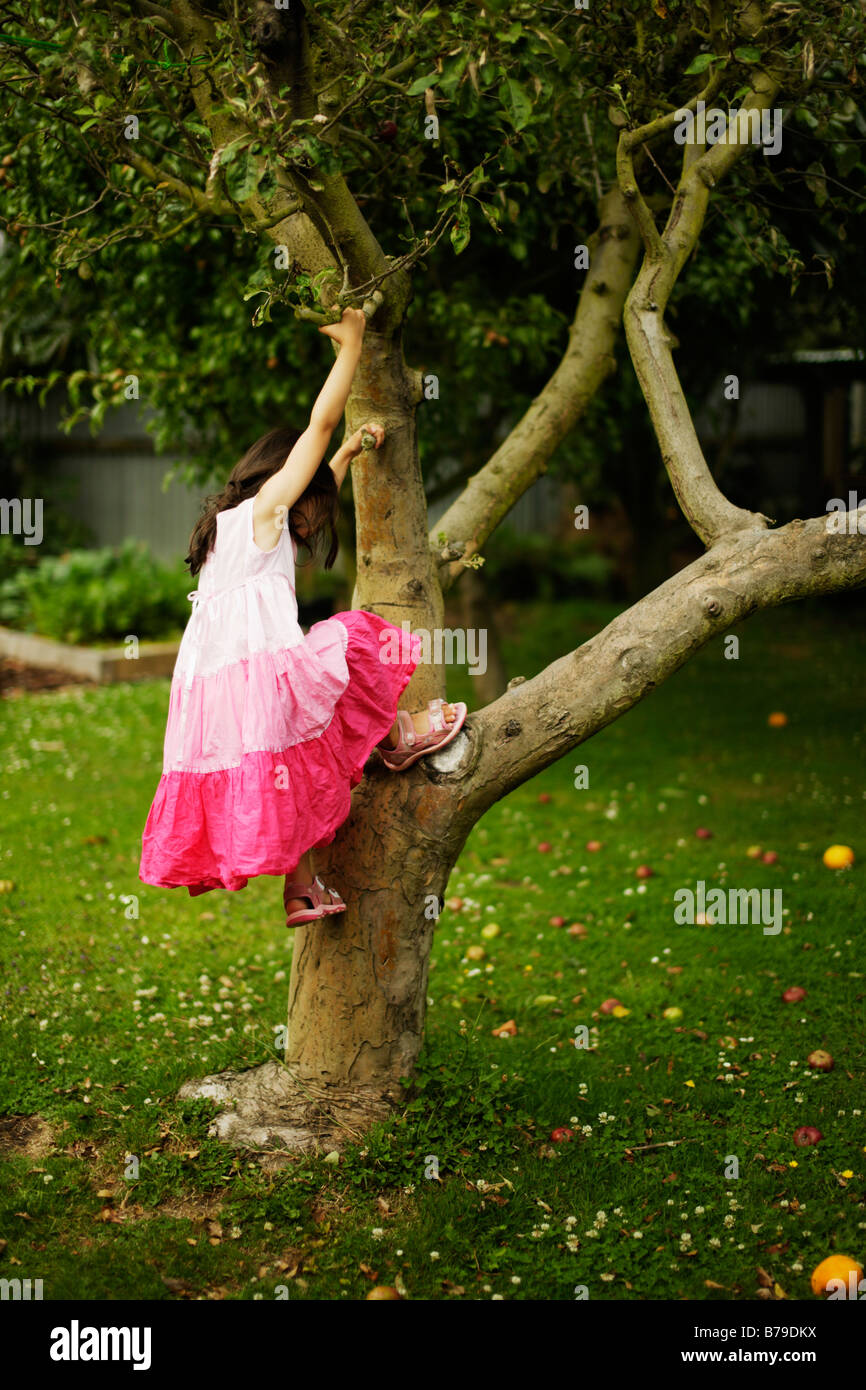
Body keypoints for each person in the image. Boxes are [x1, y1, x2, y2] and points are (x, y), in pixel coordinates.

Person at [139, 307, 467, 925]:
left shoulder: (227, 534)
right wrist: (352, 347)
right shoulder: (267, 511)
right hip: (263, 681)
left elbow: (320, 468)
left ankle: (303, 890)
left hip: (222, 712)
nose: (315, 519)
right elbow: (317, 426)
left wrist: (344, 454)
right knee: (354, 636)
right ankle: (396, 738)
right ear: (282, 476)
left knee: (299, 773)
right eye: (311, 494)